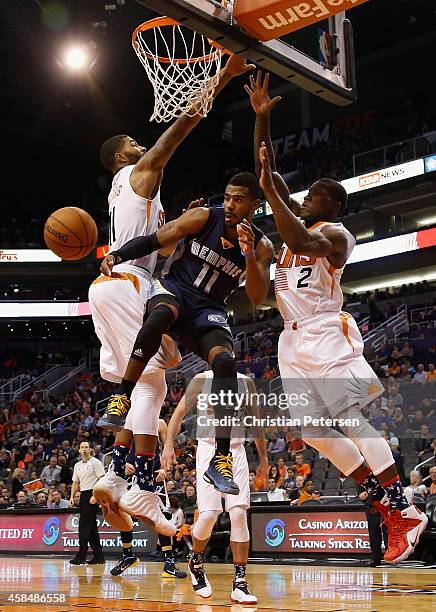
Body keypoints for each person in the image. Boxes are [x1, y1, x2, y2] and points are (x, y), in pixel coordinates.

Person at [249, 71, 427, 564]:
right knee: (313, 432)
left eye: (312, 197)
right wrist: (261, 119)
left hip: (329, 333)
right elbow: (267, 173)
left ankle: (401, 507)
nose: (304, 200)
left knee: (349, 416)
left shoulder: (335, 233)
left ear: (332, 202)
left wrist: (278, 202)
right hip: (291, 342)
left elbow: (302, 237)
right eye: (302, 198)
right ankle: (392, 506)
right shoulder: (287, 243)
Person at [99, 176, 274, 498]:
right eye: (228, 197)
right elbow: (156, 239)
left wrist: (248, 254)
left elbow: (257, 295)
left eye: (239, 200)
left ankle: (220, 459)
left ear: (255, 205)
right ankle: (122, 396)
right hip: (175, 289)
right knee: (160, 316)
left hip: (208, 308)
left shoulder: (262, 245)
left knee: (225, 363)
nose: (232, 204)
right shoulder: (205, 217)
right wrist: (118, 255)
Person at [161, 370, 268, 604]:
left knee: (239, 513)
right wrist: (168, 444)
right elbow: (178, 414)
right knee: (209, 515)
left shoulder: (245, 382)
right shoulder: (201, 379)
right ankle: (196, 561)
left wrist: (264, 460)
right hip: (209, 449)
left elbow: (256, 422)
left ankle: (240, 583)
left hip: (237, 450)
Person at [109, 419, 186, 579]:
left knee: (163, 517)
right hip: (129, 476)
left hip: (153, 475)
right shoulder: (126, 423)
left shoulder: (159, 423)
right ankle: (128, 555)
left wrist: (165, 469)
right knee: (122, 515)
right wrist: (121, 465)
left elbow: (167, 450)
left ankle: (169, 562)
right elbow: (117, 451)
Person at [69, 441, 105, 566]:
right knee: (91, 528)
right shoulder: (77, 465)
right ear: (79, 450)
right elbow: (75, 482)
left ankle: (81, 556)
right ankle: (99, 556)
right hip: (83, 494)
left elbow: (102, 480)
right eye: (82, 447)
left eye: (86, 447)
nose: (84, 449)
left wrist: (96, 496)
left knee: (83, 526)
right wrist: (71, 497)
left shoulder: (96, 462)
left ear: (90, 449)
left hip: (93, 494)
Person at [357, 484, 388, 566]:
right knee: (373, 530)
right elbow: (357, 478)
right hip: (370, 501)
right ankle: (375, 557)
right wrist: (360, 491)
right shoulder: (362, 471)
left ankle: (390, 555)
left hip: (386, 498)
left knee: (388, 529)